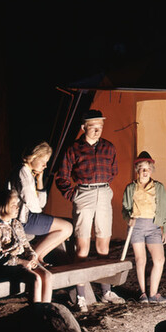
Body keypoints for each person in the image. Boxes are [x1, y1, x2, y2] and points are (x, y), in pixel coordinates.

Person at [55, 109, 125, 312]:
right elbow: (62, 176)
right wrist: (73, 194)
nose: (97, 131)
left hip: (103, 193)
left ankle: (106, 291)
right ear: (83, 127)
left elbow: (113, 171)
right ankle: (81, 296)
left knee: (103, 244)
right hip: (83, 194)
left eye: (100, 127)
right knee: (82, 247)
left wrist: (102, 189)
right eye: (93, 127)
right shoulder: (74, 149)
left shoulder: (108, 148)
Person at [8, 141, 73, 264]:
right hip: (24, 219)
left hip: (30, 216)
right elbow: (33, 205)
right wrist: (45, 217)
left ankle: (38, 256)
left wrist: (40, 180)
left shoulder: (29, 173)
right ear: (34, 157)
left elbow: (41, 204)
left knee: (66, 225)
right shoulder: (22, 172)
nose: (45, 166)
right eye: (43, 162)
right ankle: (34, 257)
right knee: (67, 227)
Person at [121, 151, 166, 303]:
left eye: (147, 168)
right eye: (142, 168)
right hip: (136, 227)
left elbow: (165, 208)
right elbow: (125, 209)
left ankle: (154, 293)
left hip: (153, 226)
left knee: (159, 259)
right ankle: (143, 293)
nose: (144, 171)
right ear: (137, 170)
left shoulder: (159, 187)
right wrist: (128, 218)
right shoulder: (131, 188)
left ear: (151, 170)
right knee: (140, 259)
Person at [0, 189, 53, 304]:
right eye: (13, 205)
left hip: (24, 262)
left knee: (47, 276)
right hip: (8, 265)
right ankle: (36, 311)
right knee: (36, 279)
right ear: (3, 207)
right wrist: (21, 262)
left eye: (17, 204)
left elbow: (26, 244)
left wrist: (32, 256)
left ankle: (45, 309)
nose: (17, 207)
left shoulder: (16, 224)